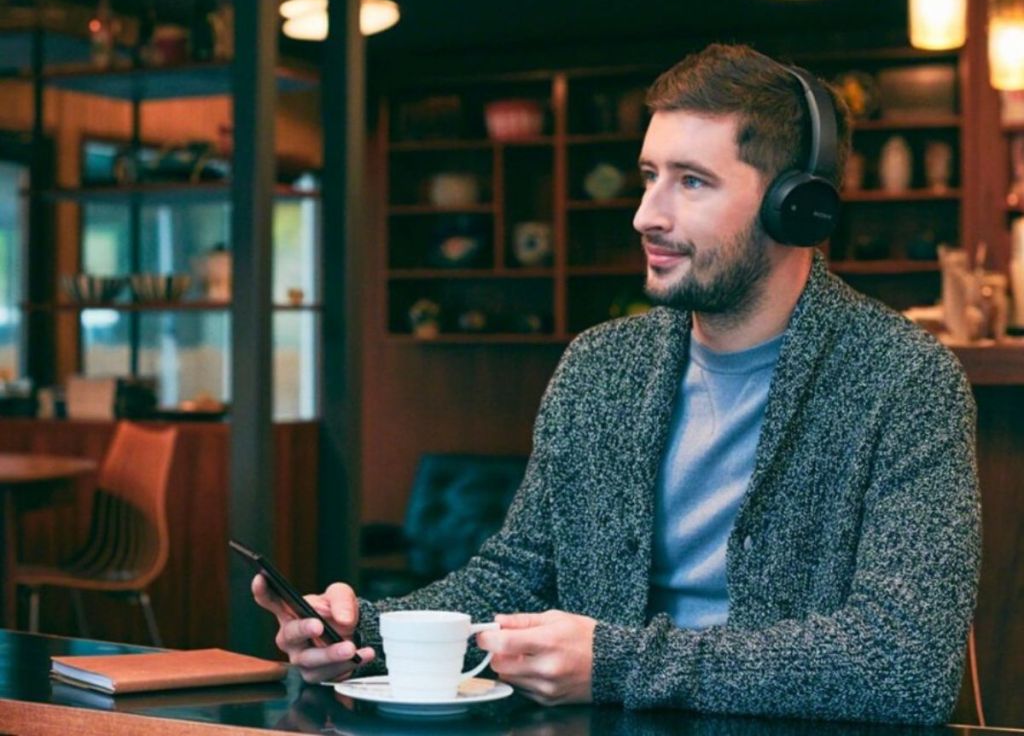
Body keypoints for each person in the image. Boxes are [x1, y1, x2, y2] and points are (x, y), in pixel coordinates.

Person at [253, 43, 980, 725]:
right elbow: (516, 577)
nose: (646, 216)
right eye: (648, 176)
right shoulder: (601, 369)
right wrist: (364, 633)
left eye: (691, 182)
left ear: (796, 207)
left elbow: (905, 665)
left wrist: (615, 663)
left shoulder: (903, 381)